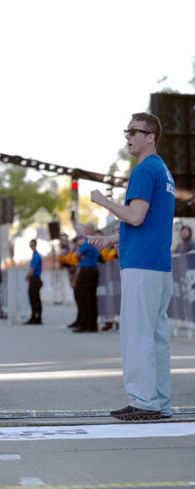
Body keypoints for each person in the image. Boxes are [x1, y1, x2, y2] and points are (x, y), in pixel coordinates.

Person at [88, 112, 175, 421]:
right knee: (156, 337)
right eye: (127, 131)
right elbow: (147, 221)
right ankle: (159, 401)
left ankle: (143, 401)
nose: (128, 136)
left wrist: (103, 201)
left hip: (141, 265)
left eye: (135, 131)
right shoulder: (162, 170)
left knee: (137, 335)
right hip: (159, 266)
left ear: (150, 136)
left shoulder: (143, 170)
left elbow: (135, 216)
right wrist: (113, 238)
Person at [73, 234, 100, 333]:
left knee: (85, 297)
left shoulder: (87, 243)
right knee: (90, 298)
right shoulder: (92, 244)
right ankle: (91, 324)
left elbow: (76, 255)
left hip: (87, 271)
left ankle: (86, 324)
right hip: (92, 270)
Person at [25, 239, 43, 325]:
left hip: (35, 279)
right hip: (34, 278)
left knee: (35, 298)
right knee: (34, 298)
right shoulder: (34, 255)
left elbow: (33, 269)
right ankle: (35, 316)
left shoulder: (36, 256)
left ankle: (36, 316)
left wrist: (28, 276)